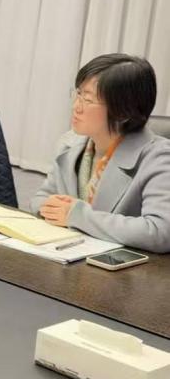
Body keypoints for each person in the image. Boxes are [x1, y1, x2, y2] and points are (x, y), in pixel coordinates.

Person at [30, 54, 170, 253]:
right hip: (65, 256)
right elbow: (40, 198)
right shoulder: (70, 144)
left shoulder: (159, 158)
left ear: (123, 112)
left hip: (124, 267)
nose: (76, 107)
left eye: (88, 99)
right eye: (78, 94)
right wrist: (54, 208)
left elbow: (160, 231)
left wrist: (78, 216)